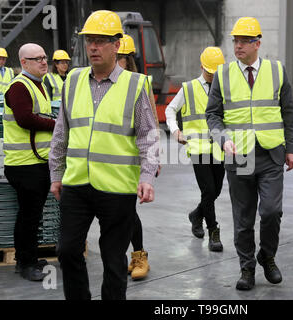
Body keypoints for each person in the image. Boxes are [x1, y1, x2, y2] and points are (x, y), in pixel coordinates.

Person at [49, 10, 159, 300]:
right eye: (89, 41)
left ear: (117, 45)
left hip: (117, 187)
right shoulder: (72, 80)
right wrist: (56, 175)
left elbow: (149, 136)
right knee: (67, 249)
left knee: (113, 259)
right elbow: (62, 131)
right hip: (76, 184)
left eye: (100, 41)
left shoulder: (135, 85)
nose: (93, 47)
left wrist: (147, 176)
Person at [206, 17, 293, 291]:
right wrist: (222, 139)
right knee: (243, 218)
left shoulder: (277, 71)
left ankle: (267, 256)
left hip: (271, 153)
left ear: (258, 43)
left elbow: (289, 113)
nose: (238, 46)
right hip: (239, 156)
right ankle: (247, 267)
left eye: (244, 41)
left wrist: (292, 148)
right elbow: (212, 115)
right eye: (235, 40)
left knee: (271, 212)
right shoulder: (223, 74)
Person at [166, 46, 225, 252]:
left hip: (219, 148)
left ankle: (196, 215)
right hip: (197, 147)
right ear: (202, 67)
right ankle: (213, 231)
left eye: (216, 73)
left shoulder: (224, 88)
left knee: (215, 190)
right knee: (208, 190)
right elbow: (170, 109)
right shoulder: (188, 88)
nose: (213, 76)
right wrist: (175, 131)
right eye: (210, 72)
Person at [3, 43, 54, 281]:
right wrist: (56, 125)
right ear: (24, 62)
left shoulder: (38, 85)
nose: (44, 62)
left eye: (45, 58)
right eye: (38, 59)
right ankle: (26, 263)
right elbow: (24, 119)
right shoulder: (20, 87)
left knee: (31, 214)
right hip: (24, 164)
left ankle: (27, 257)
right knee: (29, 215)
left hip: (35, 161)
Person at [117, 34, 159, 280]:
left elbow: (151, 124)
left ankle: (139, 256)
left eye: (122, 58)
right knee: (118, 213)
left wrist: (154, 161)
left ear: (129, 59)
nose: (118, 62)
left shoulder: (139, 82)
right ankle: (123, 256)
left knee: (128, 211)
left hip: (133, 157)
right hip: (110, 157)